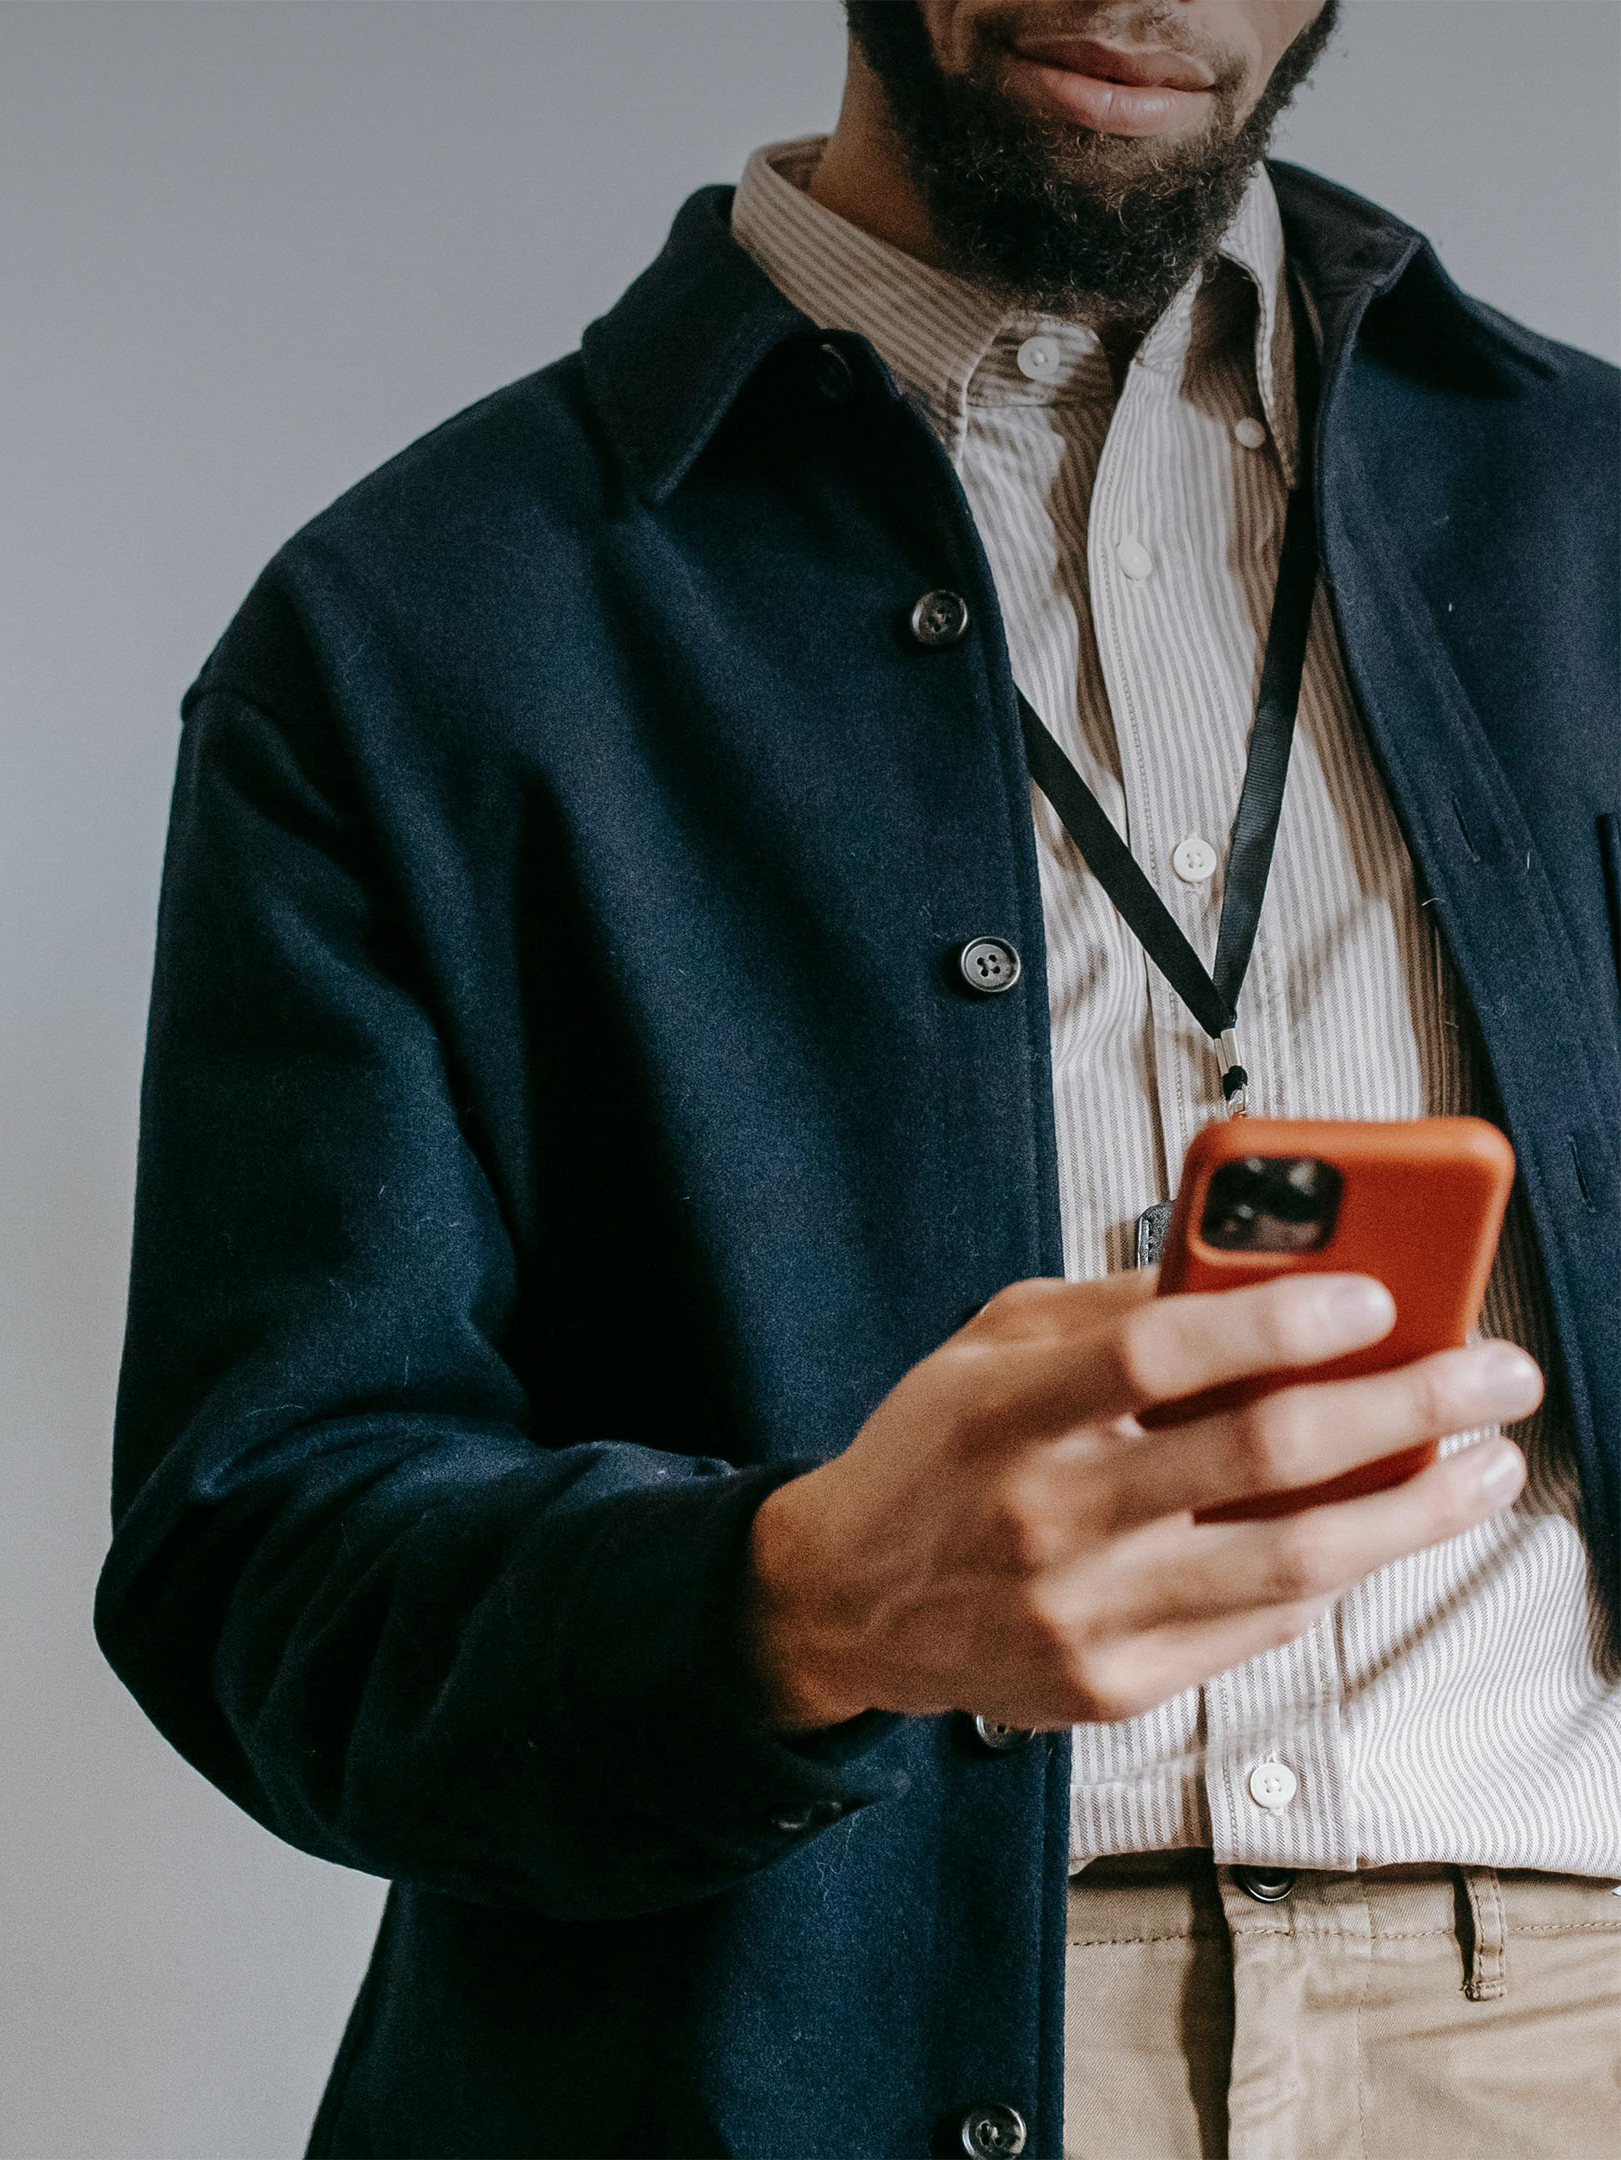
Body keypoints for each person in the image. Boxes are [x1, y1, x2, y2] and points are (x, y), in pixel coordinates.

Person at [96, 3, 1621, 2152]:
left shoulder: (1599, 515)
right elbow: (262, 1580)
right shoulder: (404, 631)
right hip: (799, 2066)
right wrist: (794, 1598)